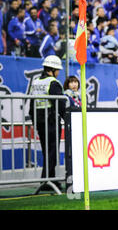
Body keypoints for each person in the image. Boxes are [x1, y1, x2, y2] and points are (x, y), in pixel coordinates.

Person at [28, 55, 66, 191]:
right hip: (50, 120)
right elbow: (59, 103)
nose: (59, 73)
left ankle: (50, 179)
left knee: (47, 151)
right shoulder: (53, 82)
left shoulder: (36, 81)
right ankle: (47, 180)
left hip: (39, 121)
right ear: (54, 69)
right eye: (58, 70)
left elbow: (32, 103)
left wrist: (34, 121)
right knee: (52, 151)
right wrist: (67, 118)